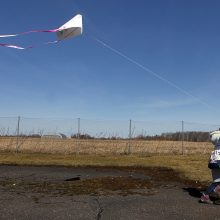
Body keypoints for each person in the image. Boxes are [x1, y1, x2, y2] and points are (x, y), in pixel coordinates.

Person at [200, 130, 220, 204]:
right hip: (219, 160)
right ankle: (206, 195)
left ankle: (206, 195)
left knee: (217, 181)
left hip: (214, 160)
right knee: (217, 181)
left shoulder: (215, 137)